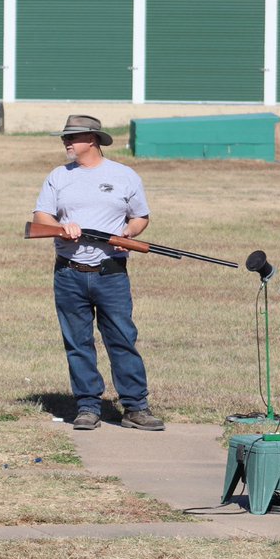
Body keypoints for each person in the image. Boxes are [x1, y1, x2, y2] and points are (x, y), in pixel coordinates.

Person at [32, 115, 164, 432]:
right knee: (78, 343)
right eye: (65, 137)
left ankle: (135, 407)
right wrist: (61, 228)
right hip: (68, 272)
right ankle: (88, 407)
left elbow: (140, 217)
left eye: (72, 137)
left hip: (111, 273)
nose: (66, 142)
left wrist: (128, 233)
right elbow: (40, 216)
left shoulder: (124, 175)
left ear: (92, 139)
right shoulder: (58, 176)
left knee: (121, 339)